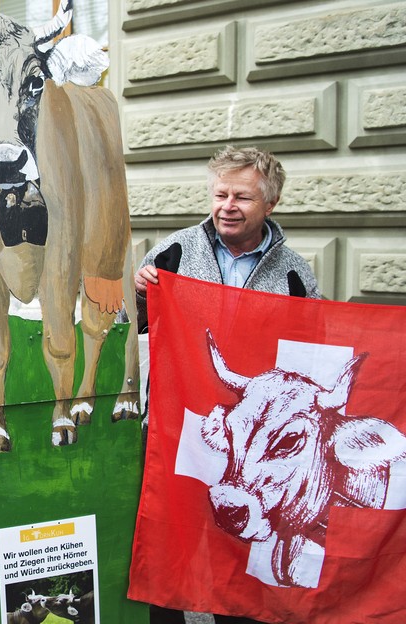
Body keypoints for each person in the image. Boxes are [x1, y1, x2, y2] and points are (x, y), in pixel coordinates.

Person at [134, 145, 321, 624]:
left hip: (251, 443)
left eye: (242, 197)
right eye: (220, 194)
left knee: (236, 552)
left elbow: (312, 352)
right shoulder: (174, 251)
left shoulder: (295, 272)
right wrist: (137, 293)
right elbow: (133, 327)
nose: (227, 206)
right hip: (179, 427)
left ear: (270, 205)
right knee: (170, 545)